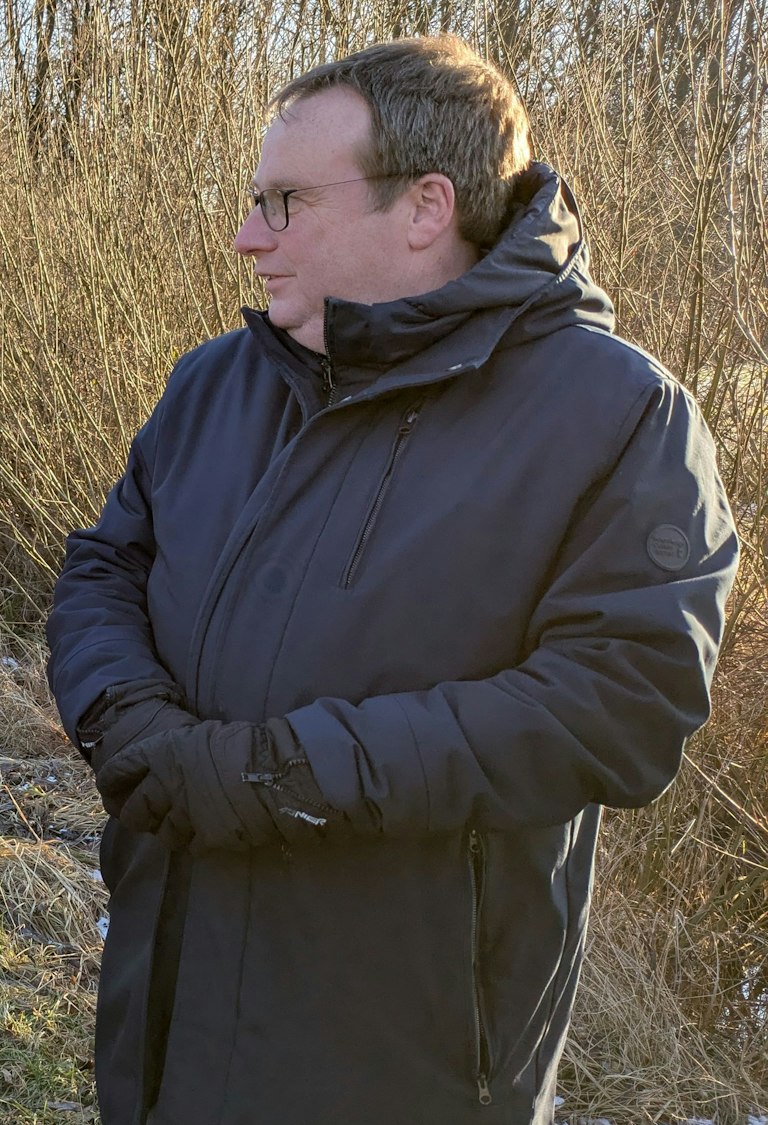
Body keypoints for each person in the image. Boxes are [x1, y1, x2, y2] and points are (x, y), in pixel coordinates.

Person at [47, 36, 738, 1125]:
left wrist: (284, 776)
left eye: (281, 202)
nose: (244, 238)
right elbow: (102, 567)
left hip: (402, 1061)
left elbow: (619, 707)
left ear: (422, 208)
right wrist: (125, 719)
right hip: (163, 1014)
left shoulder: (618, 420)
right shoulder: (216, 383)